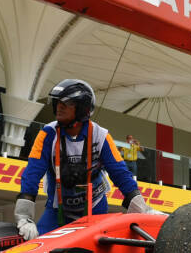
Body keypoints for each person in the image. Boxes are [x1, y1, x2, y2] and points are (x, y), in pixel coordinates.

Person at [15, 79, 156, 239]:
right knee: (36, 247)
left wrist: (142, 208)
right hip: (57, 211)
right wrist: (24, 216)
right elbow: (32, 173)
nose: (59, 107)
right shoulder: (48, 134)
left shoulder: (101, 135)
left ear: (83, 109)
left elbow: (121, 174)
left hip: (95, 209)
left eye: (67, 103)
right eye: (58, 102)